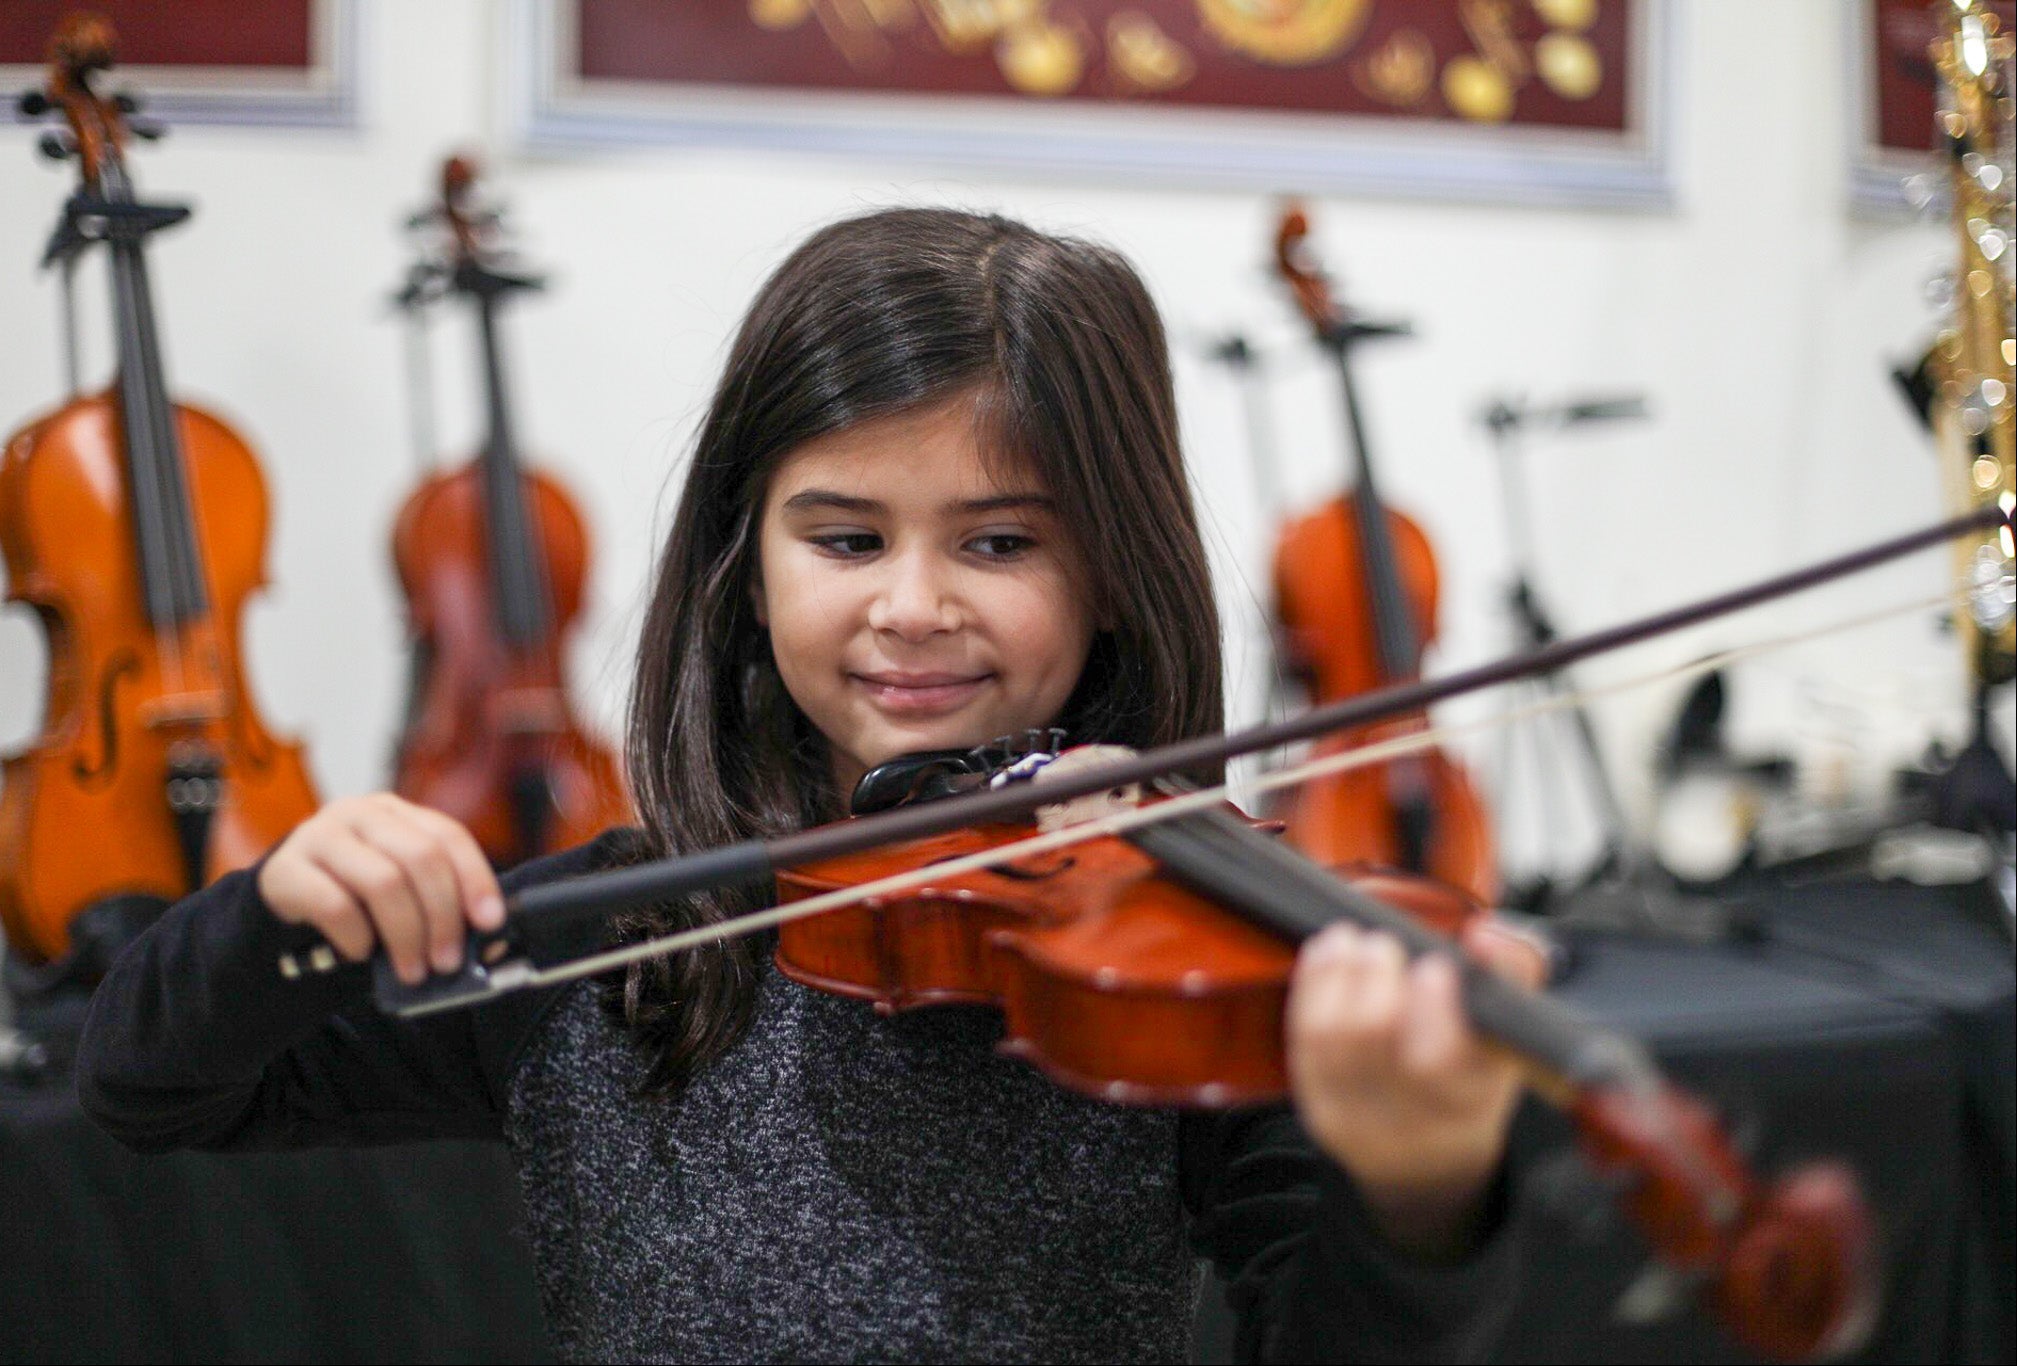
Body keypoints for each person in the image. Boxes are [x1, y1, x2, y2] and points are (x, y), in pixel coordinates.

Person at [77, 207, 1542, 1362]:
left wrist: (1413, 1196)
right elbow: (156, 1088)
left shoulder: (1169, 973)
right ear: (745, 563)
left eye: (999, 543)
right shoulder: (612, 939)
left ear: (1113, 577)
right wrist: (276, 913)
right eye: (844, 540)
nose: (911, 607)